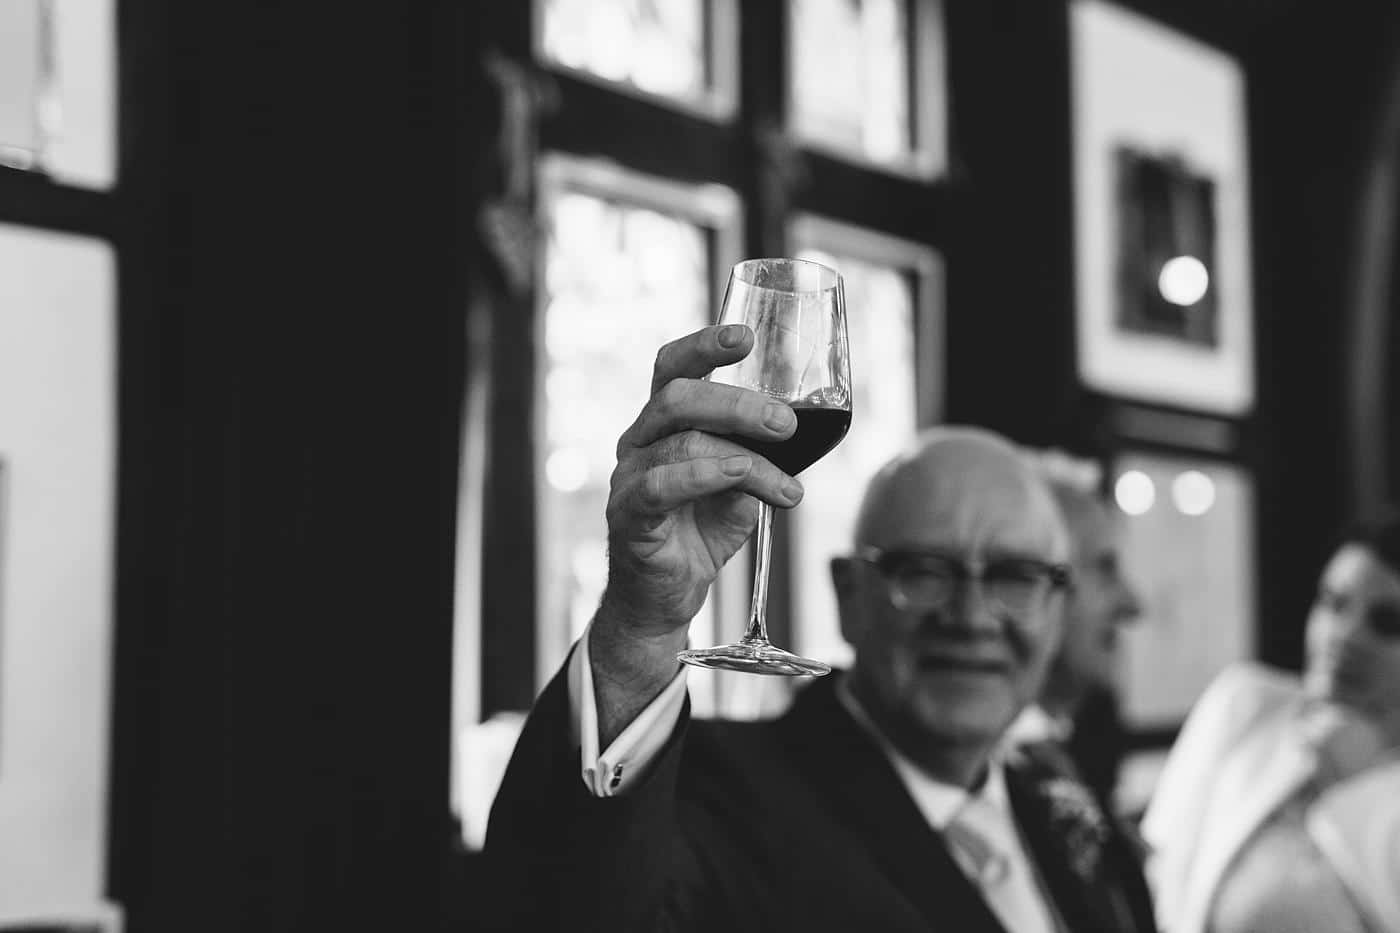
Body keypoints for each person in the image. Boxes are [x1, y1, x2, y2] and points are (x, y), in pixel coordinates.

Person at [484, 325, 1155, 932]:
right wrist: (642, 625)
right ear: (847, 595)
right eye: (923, 571)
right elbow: (573, 907)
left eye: (1014, 576)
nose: (971, 617)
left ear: (1057, 604)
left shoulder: (1064, 810)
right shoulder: (720, 789)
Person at [1143, 511, 1400, 933]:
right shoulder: (1246, 703)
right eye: (1333, 603)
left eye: (1387, 622)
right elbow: (1151, 870)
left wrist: (1358, 790)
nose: (1345, 634)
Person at [1007, 449, 1143, 805]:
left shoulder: (1067, 760)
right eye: (1104, 568)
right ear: (1030, 582)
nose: (1133, 605)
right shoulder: (977, 781)